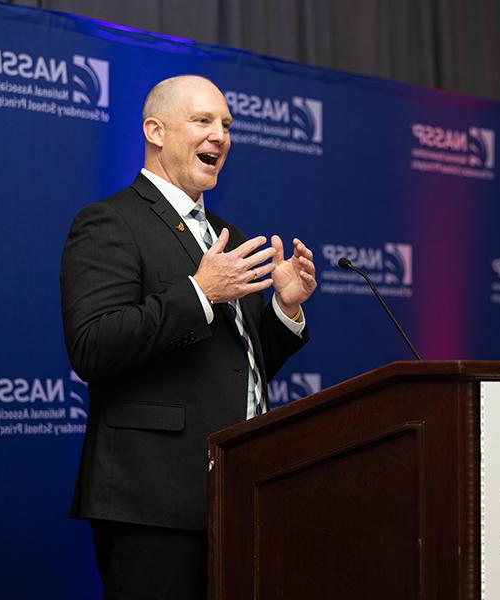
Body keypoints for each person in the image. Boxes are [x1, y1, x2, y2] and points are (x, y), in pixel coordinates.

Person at [60, 74, 317, 599]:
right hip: (151, 501)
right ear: (155, 131)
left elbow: (238, 365)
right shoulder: (109, 223)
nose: (220, 135)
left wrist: (284, 309)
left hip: (235, 490)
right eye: (202, 121)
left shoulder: (228, 237)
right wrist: (199, 292)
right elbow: (93, 345)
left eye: (226, 124)